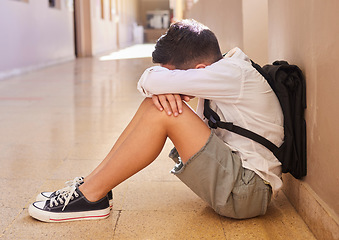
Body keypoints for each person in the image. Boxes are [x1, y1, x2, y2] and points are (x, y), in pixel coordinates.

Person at [29, 19, 284, 222]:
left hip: (248, 192)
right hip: (239, 182)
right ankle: (93, 187)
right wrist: (164, 85)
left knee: (163, 110)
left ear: (198, 71)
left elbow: (151, 81)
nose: (171, 84)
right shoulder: (223, 69)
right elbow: (153, 85)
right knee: (155, 103)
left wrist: (161, 83)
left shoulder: (231, 73)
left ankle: (90, 196)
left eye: (173, 77)